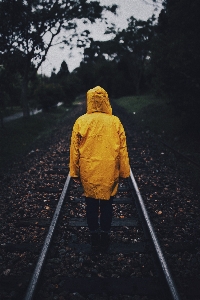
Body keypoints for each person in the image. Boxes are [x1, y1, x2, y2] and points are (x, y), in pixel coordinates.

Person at [70, 86, 130, 251]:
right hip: (108, 171)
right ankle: (104, 233)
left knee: (90, 203)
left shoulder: (81, 121)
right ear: (106, 100)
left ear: (89, 101)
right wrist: (124, 171)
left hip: (88, 171)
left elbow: (74, 150)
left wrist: (74, 172)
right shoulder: (115, 122)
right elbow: (123, 149)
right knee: (106, 204)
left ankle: (94, 233)